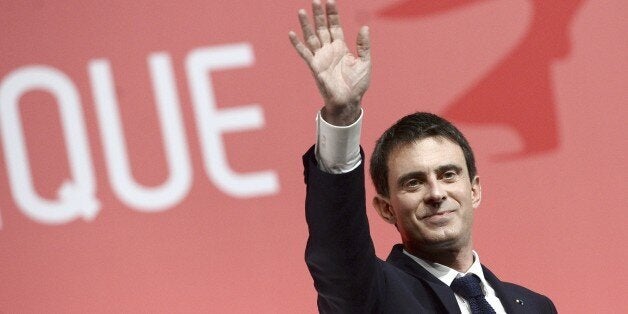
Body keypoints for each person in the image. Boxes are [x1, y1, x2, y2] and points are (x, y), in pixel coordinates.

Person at [289, 0, 558, 313]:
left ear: (474, 190)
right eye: (413, 182)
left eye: (448, 174)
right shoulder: (372, 294)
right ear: (386, 208)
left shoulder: (535, 307)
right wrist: (342, 116)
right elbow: (338, 250)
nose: (436, 193)